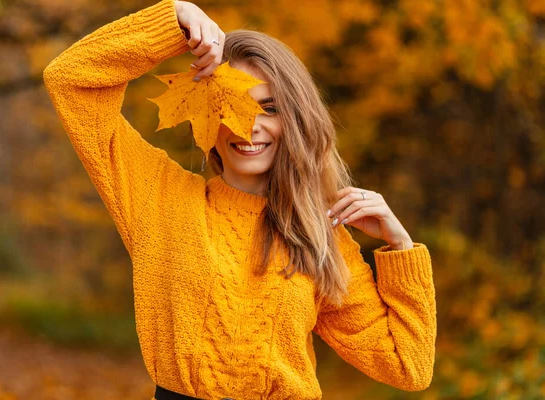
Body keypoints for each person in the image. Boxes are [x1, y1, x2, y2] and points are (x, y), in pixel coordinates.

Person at [43, 0, 437, 398]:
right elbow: (69, 80)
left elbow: (409, 366)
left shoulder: (321, 234)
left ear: (296, 120)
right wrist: (175, 19)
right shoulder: (157, 196)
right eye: (231, 104)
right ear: (207, 114)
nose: (249, 126)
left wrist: (400, 247)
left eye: (269, 108)